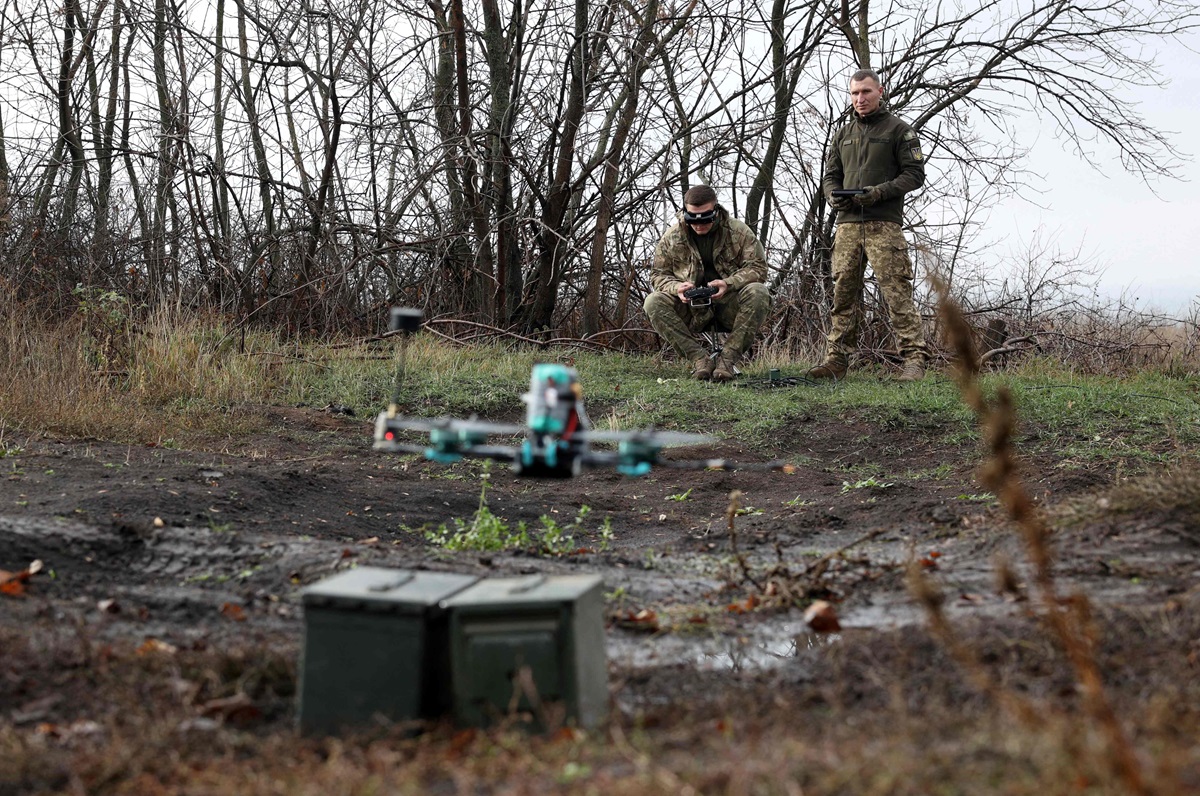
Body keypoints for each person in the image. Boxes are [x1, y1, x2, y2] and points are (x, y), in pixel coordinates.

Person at [808, 68, 929, 382]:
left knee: (896, 291)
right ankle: (836, 360)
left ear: (880, 91)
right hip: (847, 226)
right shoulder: (843, 133)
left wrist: (879, 193)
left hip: (883, 225)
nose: (860, 99)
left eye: (866, 92)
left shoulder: (900, 131)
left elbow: (915, 174)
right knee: (843, 294)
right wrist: (834, 196)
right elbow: (830, 175)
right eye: (854, 93)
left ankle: (913, 360)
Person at [644, 185, 771, 382]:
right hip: (691, 309)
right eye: (692, 218)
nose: (699, 224)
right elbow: (658, 275)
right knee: (653, 301)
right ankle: (699, 360)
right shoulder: (672, 237)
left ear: (715, 210)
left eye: (705, 218)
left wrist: (728, 283)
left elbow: (759, 269)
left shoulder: (738, 232)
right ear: (685, 213)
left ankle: (727, 362)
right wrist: (676, 288)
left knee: (758, 292)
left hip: (729, 306)